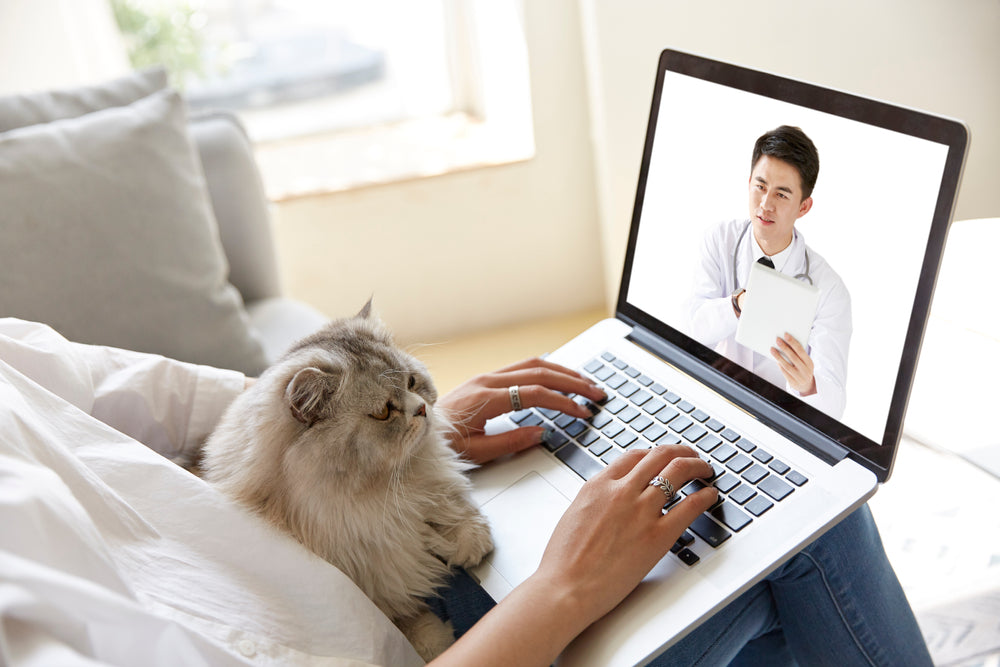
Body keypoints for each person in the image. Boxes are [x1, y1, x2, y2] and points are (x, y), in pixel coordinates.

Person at [0, 318, 931, 666]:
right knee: (808, 526)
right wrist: (560, 591)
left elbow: (140, 393)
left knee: (757, 564)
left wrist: (403, 433)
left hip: (366, 578)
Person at [687, 125, 852, 419]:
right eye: (760, 186)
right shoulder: (719, 240)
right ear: (749, 181)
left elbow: (834, 403)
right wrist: (736, 305)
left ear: (804, 207)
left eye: (782, 194)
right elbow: (690, 331)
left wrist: (807, 384)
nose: (765, 204)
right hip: (712, 401)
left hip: (775, 420)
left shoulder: (830, 290)